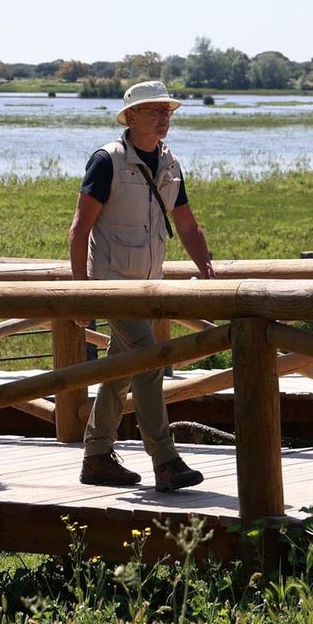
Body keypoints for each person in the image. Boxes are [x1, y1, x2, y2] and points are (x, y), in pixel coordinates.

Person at [68, 81, 215, 491]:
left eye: (167, 110)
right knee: (149, 360)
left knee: (121, 370)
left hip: (149, 289)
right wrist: (80, 293)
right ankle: (165, 460)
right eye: (154, 110)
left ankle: (97, 457)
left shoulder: (170, 162)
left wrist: (207, 269)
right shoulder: (107, 161)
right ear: (130, 116)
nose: (163, 117)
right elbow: (80, 229)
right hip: (111, 287)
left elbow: (186, 223)